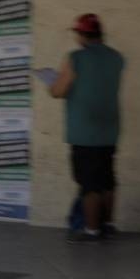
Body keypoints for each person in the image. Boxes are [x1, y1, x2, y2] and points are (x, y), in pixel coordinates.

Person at [48, 14, 124, 243]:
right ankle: (108, 224)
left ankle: (91, 230)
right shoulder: (117, 58)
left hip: (84, 130)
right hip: (109, 127)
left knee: (89, 184)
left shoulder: (75, 58)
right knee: (107, 180)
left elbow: (58, 91)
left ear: (82, 34)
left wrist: (52, 82)